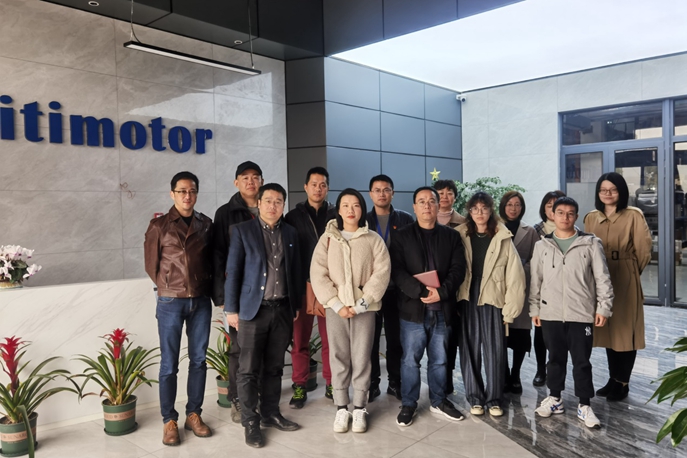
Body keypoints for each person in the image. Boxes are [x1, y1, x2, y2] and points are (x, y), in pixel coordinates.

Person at [224, 183, 302, 448]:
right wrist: (231, 309)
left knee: (275, 367)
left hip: (282, 309)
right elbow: (233, 272)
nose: (273, 206)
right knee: (247, 370)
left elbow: (295, 271)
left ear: (283, 205)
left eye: (278, 201)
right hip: (252, 311)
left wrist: (295, 306)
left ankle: (270, 413)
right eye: (268, 200)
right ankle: (250, 421)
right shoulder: (242, 231)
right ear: (258, 203)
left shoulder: (290, 232)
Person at [310, 188, 390, 434]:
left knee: (362, 357)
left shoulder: (373, 239)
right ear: (339, 210)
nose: (350, 210)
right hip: (336, 310)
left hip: (365, 309)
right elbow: (318, 273)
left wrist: (363, 303)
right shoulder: (327, 239)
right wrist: (336, 304)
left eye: (355, 205)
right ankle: (341, 407)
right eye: (345, 205)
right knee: (339, 356)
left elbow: (382, 272)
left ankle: (360, 407)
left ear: (362, 209)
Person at [531, 196, 614, 429]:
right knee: (554, 359)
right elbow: (535, 281)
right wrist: (535, 308)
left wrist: (603, 307)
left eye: (570, 213)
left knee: (582, 361)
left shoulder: (590, 243)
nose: (565, 217)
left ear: (576, 216)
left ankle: (584, 404)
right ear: (552, 215)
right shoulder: (542, 245)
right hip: (551, 313)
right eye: (560, 213)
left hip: (581, 313)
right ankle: (555, 399)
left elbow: (602, 278)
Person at [144, 171, 214, 446]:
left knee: (198, 360)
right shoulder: (159, 226)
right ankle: (169, 420)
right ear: (172, 193)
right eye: (182, 191)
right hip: (170, 301)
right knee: (168, 364)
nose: (188, 196)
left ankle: (193, 414)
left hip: (200, 301)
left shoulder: (205, 224)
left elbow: (211, 261)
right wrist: (169, 286)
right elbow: (151, 265)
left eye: (192, 191)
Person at [391, 186, 467, 427]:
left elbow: (458, 269)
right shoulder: (402, 236)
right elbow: (397, 271)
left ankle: (438, 400)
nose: (427, 205)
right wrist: (422, 292)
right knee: (410, 360)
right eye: (422, 201)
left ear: (438, 205)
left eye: (431, 201)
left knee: (440, 360)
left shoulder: (451, 236)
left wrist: (441, 293)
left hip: (442, 310)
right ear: (414, 207)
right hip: (412, 310)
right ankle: (409, 403)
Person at [584, 172, 652, 402]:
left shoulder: (634, 215)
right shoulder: (591, 217)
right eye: (603, 190)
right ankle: (613, 378)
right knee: (608, 330)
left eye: (613, 189)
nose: (608, 193)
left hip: (625, 276)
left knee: (625, 330)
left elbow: (643, 251)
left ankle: (623, 382)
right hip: (600, 277)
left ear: (621, 191)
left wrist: (631, 272)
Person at [456, 192, 525, 418]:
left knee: (495, 350)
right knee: (469, 349)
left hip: (494, 296)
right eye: (475, 209)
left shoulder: (503, 236)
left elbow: (515, 276)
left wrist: (510, 310)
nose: (480, 213)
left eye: (484, 208)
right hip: (467, 295)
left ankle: (494, 399)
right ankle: (475, 397)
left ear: (491, 210)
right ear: (469, 211)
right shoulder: (460, 234)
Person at [212, 161, 263, 423]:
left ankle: (260, 397)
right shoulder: (225, 213)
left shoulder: (270, 207)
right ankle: (238, 400)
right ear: (236, 182)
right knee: (239, 350)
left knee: (262, 348)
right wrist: (224, 299)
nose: (251, 182)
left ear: (262, 181)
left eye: (255, 177)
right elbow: (218, 256)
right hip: (239, 296)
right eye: (245, 178)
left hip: (267, 294)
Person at [284, 167, 337, 408]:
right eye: (314, 184)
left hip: (330, 287)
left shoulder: (336, 215)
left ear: (328, 188)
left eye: (323, 184)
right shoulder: (292, 217)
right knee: (299, 340)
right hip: (301, 286)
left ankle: (332, 383)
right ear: (305, 187)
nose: (318, 188)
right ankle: (299, 386)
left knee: (331, 340)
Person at [366, 174, 414, 401]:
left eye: (386, 190)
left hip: (398, 290)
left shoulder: (405, 219)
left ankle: (395, 382)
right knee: (370, 340)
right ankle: (372, 383)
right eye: (377, 190)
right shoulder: (363, 220)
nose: (382, 194)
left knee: (396, 340)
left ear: (393, 193)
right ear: (370, 194)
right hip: (371, 291)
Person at [499, 191, 539, 394]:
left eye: (517, 205)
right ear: (503, 206)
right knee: (501, 336)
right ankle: (504, 373)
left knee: (520, 336)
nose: (513, 208)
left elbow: (536, 258)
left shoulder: (529, 231)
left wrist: (520, 270)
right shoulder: (495, 227)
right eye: (509, 204)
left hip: (521, 287)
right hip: (499, 288)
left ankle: (515, 374)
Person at [530, 189, 566, 387]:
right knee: (540, 331)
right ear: (544, 209)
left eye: (556, 205)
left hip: (565, 290)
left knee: (560, 334)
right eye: (549, 205)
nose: (552, 209)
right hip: (542, 289)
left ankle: (556, 369)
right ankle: (540, 369)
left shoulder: (573, 229)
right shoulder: (535, 230)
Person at [433, 179, 466, 394]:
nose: (445, 196)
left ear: (455, 196)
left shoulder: (464, 223)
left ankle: (447, 377)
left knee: (450, 336)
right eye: (440, 193)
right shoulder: (425, 219)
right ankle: (435, 378)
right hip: (429, 287)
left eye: (449, 192)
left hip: (454, 288)